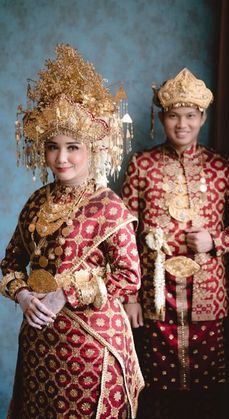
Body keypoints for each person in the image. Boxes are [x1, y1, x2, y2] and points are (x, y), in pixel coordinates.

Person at [0, 44, 144, 419]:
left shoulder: (109, 206)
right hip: (39, 343)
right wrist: (24, 297)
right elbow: (9, 266)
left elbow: (130, 276)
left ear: (94, 148)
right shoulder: (35, 202)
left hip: (91, 344)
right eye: (52, 147)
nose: (61, 158)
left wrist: (66, 293)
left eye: (73, 147)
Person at [122, 68, 229, 419]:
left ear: (203, 117)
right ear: (161, 118)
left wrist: (215, 240)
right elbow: (125, 234)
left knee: (206, 389)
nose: (182, 124)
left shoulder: (222, 168)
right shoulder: (142, 165)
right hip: (155, 298)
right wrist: (129, 297)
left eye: (190, 116)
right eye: (173, 116)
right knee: (158, 386)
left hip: (208, 296)